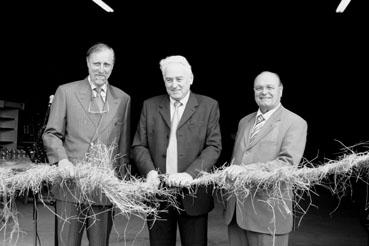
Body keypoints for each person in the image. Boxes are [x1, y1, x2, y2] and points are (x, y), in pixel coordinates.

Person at [43, 43, 131, 246]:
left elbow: (123, 148)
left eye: (107, 64)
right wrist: (62, 161)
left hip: (103, 189)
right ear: (87, 63)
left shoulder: (123, 99)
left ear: (113, 66)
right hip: (70, 186)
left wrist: (122, 184)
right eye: (97, 63)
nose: (102, 69)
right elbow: (51, 134)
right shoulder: (66, 92)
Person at [132, 55, 222, 246]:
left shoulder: (208, 106)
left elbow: (213, 146)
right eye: (169, 79)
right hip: (158, 193)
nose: (174, 84)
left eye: (179, 79)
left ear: (191, 79)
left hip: (194, 193)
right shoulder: (150, 105)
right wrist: (149, 172)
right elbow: (139, 145)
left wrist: (190, 174)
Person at [224, 71, 307, 246]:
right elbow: (236, 161)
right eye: (259, 88)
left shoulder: (295, 122)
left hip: (267, 214)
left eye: (270, 87)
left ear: (281, 90)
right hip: (236, 212)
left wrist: (246, 170)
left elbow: (287, 164)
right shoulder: (244, 121)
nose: (264, 92)